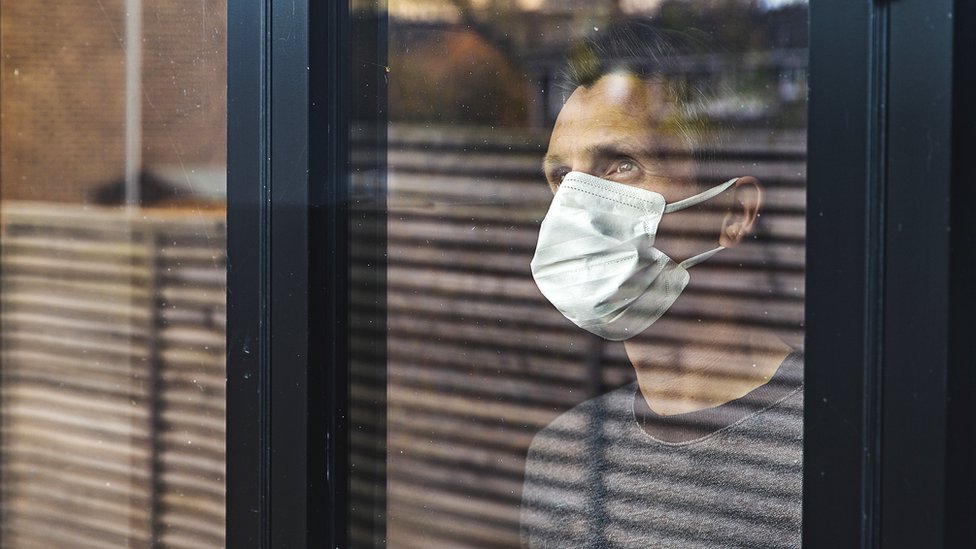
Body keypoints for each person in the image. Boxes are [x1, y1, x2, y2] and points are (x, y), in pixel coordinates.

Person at [520, 21, 803, 549]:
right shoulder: (562, 459)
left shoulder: (837, 448)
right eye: (561, 178)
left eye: (621, 165)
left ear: (735, 213)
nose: (574, 209)